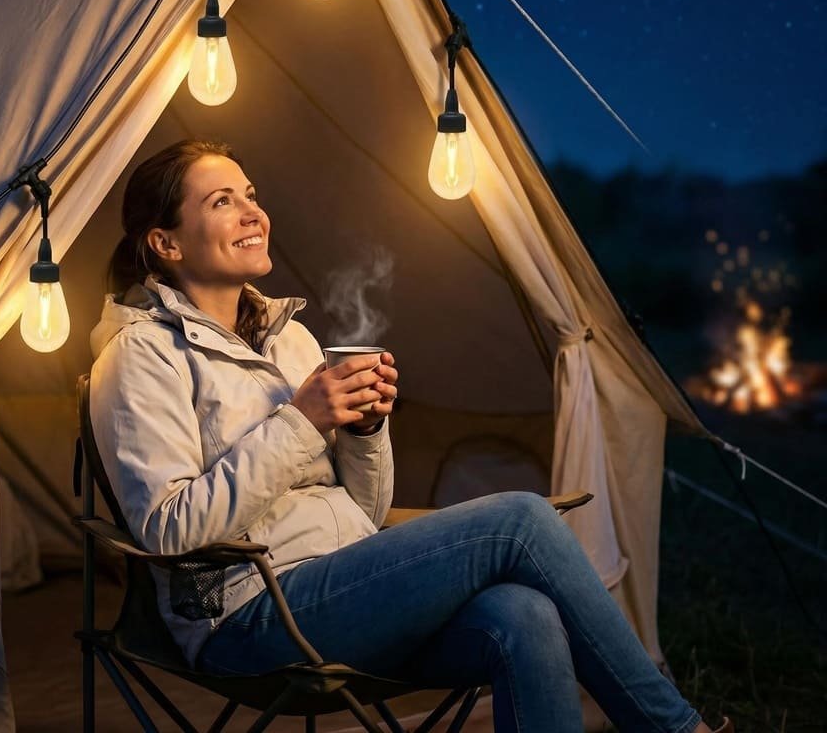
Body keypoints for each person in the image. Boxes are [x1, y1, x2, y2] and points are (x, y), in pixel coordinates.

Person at [89, 138, 731, 733]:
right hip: (248, 618)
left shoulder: (290, 338)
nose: (252, 212)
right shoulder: (140, 355)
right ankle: (675, 729)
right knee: (520, 520)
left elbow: (364, 513)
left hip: (345, 588)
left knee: (523, 617)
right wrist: (303, 420)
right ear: (166, 244)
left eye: (251, 194)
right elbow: (166, 528)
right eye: (221, 201)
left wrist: (366, 430)